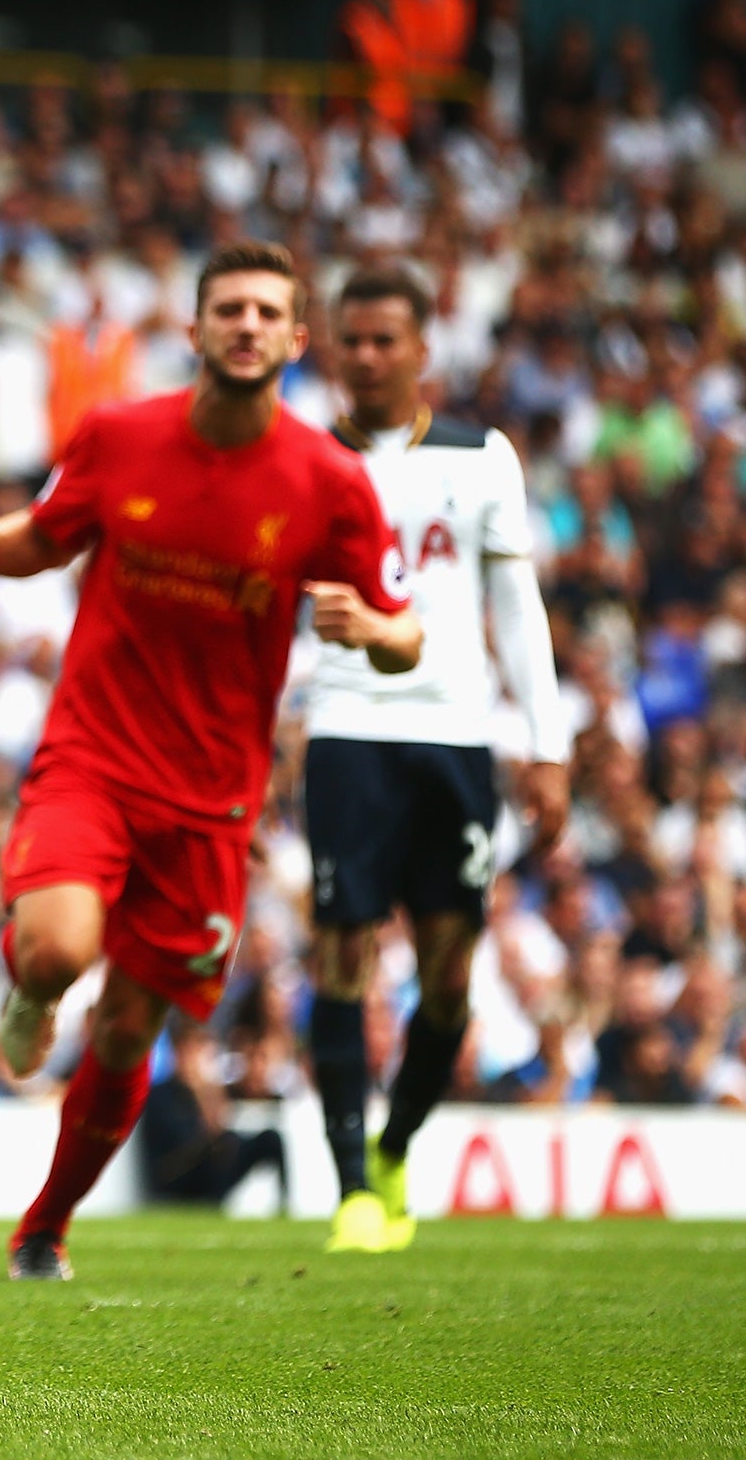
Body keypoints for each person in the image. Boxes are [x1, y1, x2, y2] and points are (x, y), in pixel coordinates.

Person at [0, 240, 421, 1282]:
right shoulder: (115, 434)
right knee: (57, 950)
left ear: (293, 338)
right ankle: (28, 991)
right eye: (225, 308)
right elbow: (44, 538)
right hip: (92, 760)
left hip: (211, 804)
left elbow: (402, 629)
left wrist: (368, 628)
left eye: (264, 311)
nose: (244, 325)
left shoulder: (327, 480)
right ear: (193, 330)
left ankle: (43, 1228)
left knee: (125, 1031)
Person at [304, 266, 569, 1253]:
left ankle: (394, 1143)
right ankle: (347, 1192)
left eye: (384, 340)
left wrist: (544, 745)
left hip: (455, 734)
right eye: (351, 340)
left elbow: (515, 607)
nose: (365, 357)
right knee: (340, 954)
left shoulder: (478, 455)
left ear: (421, 350)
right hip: (344, 729)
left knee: (450, 974)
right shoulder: (300, 455)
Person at [138, 1020, 286, 1207]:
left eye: (198, 1049)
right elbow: (182, 1142)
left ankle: (285, 1203)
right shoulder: (159, 1095)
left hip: (206, 1165)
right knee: (220, 1146)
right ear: (176, 1053)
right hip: (173, 1178)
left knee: (269, 1139)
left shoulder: (205, 1090)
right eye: (189, 1050)